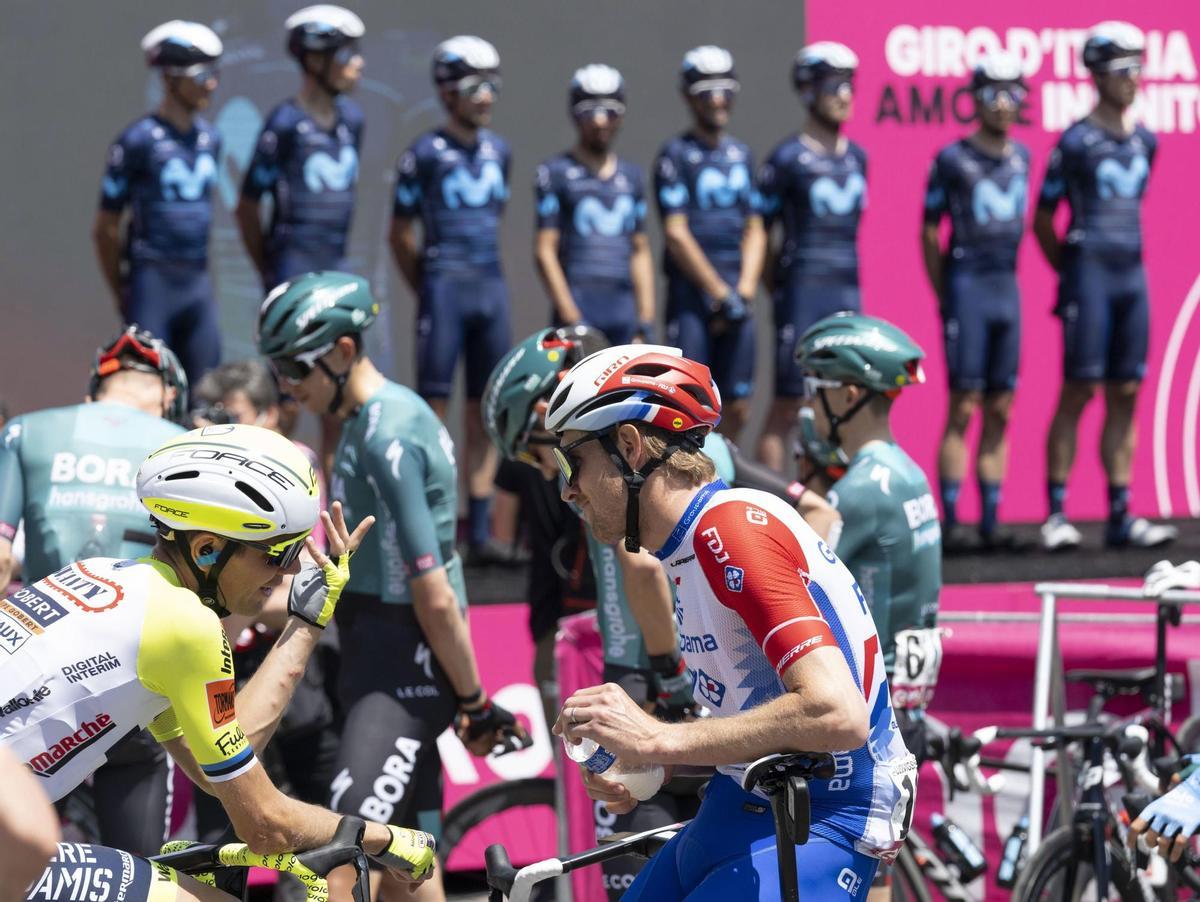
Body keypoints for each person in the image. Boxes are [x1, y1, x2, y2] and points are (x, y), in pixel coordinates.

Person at [1, 423, 435, 900]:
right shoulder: (185, 626)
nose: (292, 569)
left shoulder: (101, 575)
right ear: (208, 549)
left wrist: (306, 621)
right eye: (279, 552)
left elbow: (220, 766)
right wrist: (387, 838)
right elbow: (265, 825)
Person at [546, 345, 915, 900]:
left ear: (629, 447)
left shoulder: (731, 533)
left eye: (574, 462)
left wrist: (658, 737)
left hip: (826, 815)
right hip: (745, 798)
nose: (569, 488)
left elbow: (838, 714)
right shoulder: (686, 547)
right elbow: (754, 714)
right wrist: (649, 762)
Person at [257, 271, 525, 902]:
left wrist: (475, 701)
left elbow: (431, 589)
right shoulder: (364, 422)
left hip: (403, 669)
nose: (287, 388)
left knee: (342, 852)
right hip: (377, 658)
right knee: (407, 856)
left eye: (295, 370)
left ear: (344, 352)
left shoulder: (390, 431)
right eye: (279, 372)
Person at [0, 326, 191, 860]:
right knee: (143, 871)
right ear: (167, 395)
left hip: (33, 685)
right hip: (131, 686)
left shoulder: (26, 432)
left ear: (93, 392)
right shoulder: (179, 445)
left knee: (12, 868)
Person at [793, 313, 941, 899]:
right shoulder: (908, 474)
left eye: (817, 389)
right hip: (909, 697)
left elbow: (794, 580)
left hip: (871, 714)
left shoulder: (859, 490)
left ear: (848, 394)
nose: (812, 404)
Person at [1034, 20, 1176, 551]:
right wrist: (1071, 272)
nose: (1135, 78)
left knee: (1128, 392)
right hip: (1089, 277)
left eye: (1140, 67)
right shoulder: (1075, 141)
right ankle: (1055, 514)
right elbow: (1043, 219)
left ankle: (1121, 513)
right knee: (1078, 390)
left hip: (1131, 278)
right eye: (1124, 70)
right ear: (1097, 76)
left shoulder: (1146, 139)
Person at [389, 35, 511, 562]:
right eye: (473, 87)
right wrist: (430, 288)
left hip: (490, 285)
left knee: (485, 411)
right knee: (434, 409)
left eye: (491, 85)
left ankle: (480, 533)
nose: (485, 97)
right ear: (447, 93)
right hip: (444, 285)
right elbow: (400, 233)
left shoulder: (500, 151)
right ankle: (440, 521)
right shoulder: (423, 155)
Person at [922, 52, 1031, 552]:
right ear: (975, 99)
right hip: (967, 287)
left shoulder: (1024, 157)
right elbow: (928, 231)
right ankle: (953, 521)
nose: (1004, 105)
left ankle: (991, 520)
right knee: (964, 405)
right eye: (993, 94)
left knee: (1001, 406)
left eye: (1014, 93)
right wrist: (946, 292)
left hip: (1006, 288)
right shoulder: (952, 159)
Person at [93, 21, 224, 388]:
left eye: (215, 73)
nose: (211, 84)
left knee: (206, 393)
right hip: (152, 280)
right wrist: (125, 289)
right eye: (201, 75)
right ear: (169, 77)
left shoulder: (211, 139)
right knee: (147, 389)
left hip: (197, 283)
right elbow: (105, 228)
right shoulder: (136, 141)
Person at [757, 41, 867, 473]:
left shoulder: (859, 158)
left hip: (846, 290)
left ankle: (831, 508)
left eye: (849, 86)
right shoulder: (786, 159)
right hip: (800, 291)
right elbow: (762, 238)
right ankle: (769, 507)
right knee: (788, 403)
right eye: (832, 86)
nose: (844, 95)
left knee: (845, 402)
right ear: (807, 91)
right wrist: (780, 290)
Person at [655, 46, 765, 440]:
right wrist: (719, 293)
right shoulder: (675, 155)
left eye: (725, 90)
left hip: (738, 292)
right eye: (706, 92)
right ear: (688, 97)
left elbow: (756, 228)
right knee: (687, 401)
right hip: (693, 297)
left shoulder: (741, 154)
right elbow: (676, 233)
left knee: (738, 405)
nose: (718, 100)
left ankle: (727, 485)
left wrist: (745, 291)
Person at [236, 5, 365, 291]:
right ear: (315, 60)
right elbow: (247, 207)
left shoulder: (353, 120)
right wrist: (271, 271)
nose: (359, 63)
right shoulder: (284, 123)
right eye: (347, 54)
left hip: (339, 267)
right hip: (292, 269)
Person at [534, 65, 654, 348]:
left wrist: (646, 319)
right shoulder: (554, 173)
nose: (600, 121)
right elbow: (545, 251)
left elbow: (640, 251)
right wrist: (571, 316)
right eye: (590, 111)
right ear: (574, 114)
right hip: (577, 310)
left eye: (610, 111)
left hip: (623, 312)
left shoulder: (633, 177)